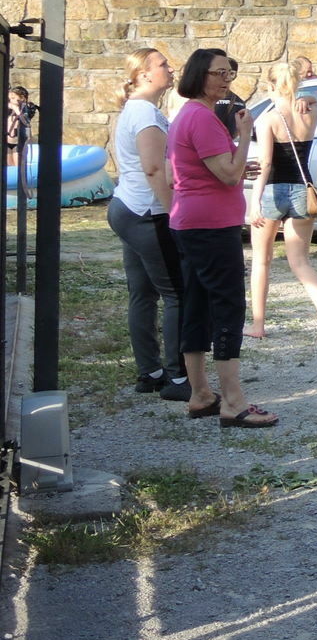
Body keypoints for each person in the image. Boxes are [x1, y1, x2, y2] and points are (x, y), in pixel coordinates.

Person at [168, 47, 277, 427]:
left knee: (197, 305)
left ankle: (201, 394)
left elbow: (203, 170)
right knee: (227, 307)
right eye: (219, 73)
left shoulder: (193, 116)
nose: (226, 81)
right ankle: (233, 401)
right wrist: (245, 134)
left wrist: (232, 158)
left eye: (230, 74)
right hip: (210, 227)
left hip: (193, 222)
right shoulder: (201, 117)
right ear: (198, 74)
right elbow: (229, 176)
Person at [108, 49, 192, 400]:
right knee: (177, 294)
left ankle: (150, 372)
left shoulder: (139, 109)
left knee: (142, 293)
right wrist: (175, 213)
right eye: (163, 65)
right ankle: (176, 380)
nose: (171, 69)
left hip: (128, 207)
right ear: (143, 74)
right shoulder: (143, 111)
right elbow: (154, 168)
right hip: (147, 213)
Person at [247, 60, 317, 345]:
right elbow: (316, 99)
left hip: (273, 190)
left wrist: (254, 202)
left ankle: (258, 325)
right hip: (302, 189)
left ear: (270, 85)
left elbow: (266, 162)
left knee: (262, 260)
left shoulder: (267, 119)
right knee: (300, 261)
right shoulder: (311, 111)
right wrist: (307, 98)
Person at [4, 84, 35, 173]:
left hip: (19, 143)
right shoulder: (7, 108)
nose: (11, 100)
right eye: (10, 98)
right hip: (7, 141)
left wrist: (16, 109)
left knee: (18, 167)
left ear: (22, 98)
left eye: (13, 98)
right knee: (9, 166)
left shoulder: (26, 108)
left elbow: (26, 121)